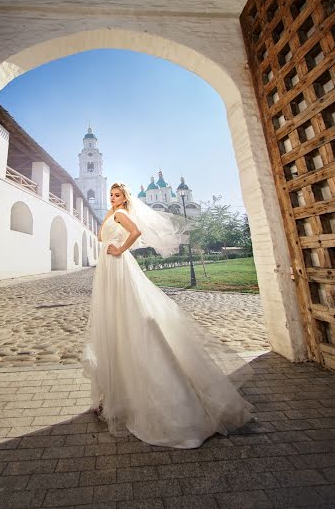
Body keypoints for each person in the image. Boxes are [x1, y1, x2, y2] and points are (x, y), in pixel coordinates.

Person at [81, 182, 254, 449]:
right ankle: (115, 395)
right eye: (112, 195)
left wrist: (120, 249)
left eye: (118, 195)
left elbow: (135, 232)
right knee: (113, 319)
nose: (113, 198)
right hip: (107, 268)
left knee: (129, 314)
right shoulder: (109, 214)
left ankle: (168, 399)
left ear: (125, 198)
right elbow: (105, 237)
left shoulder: (121, 214)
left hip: (117, 265)